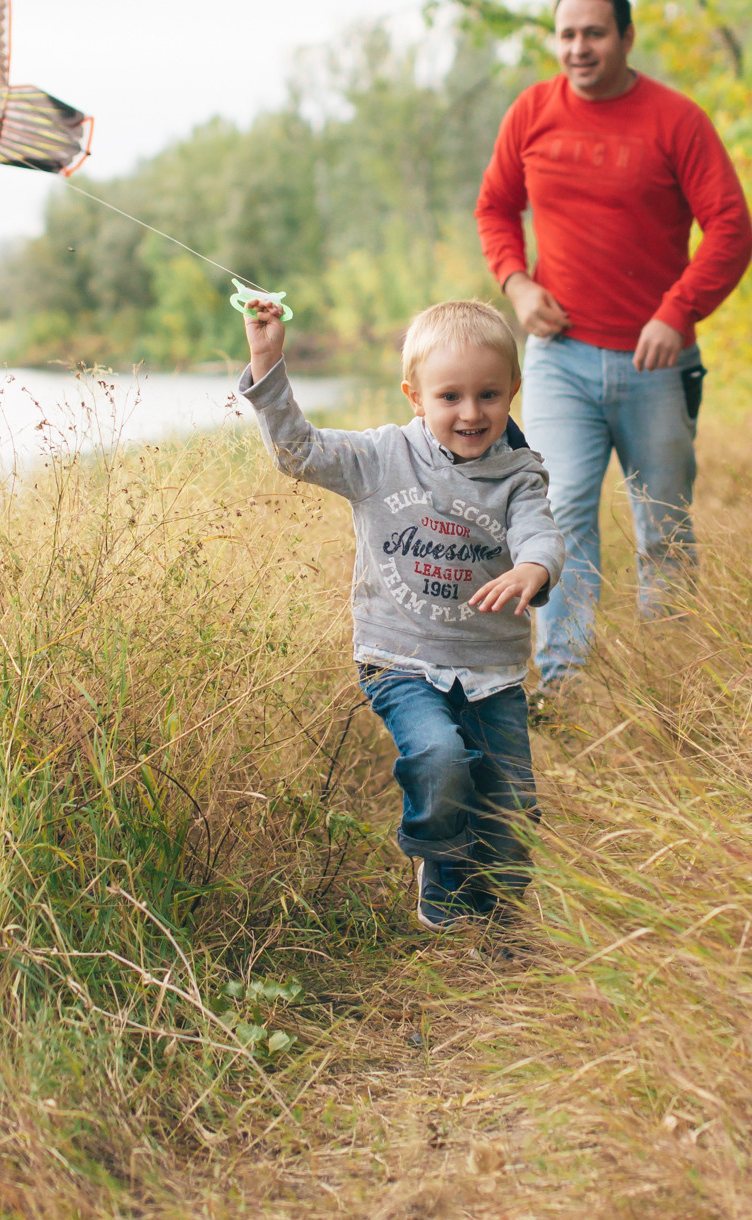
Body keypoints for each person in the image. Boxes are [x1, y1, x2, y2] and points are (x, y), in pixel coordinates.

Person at [238, 293, 564, 930]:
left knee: (511, 804)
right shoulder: (382, 457)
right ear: (414, 396)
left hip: (490, 669)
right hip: (400, 660)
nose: (471, 413)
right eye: (450, 397)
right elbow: (296, 451)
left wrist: (533, 569)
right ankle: (441, 879)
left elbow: (540, 535)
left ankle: (499, 924)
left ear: (514, 390)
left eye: (489, 396)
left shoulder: (519, 477)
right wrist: (267, 363)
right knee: (441, 761)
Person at [475, 0, 752, 692]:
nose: (578, 48)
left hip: (653, 361)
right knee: (561, 507)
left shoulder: (676, 120)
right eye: (566, 35)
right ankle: (564, 682)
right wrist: (517, 282)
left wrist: (678, 311)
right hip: (560, 360)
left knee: (662, 522)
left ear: (626, 38)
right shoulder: (533, 112)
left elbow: (731, 229)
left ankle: (671, 676)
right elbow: (496, 208)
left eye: (594, 34)